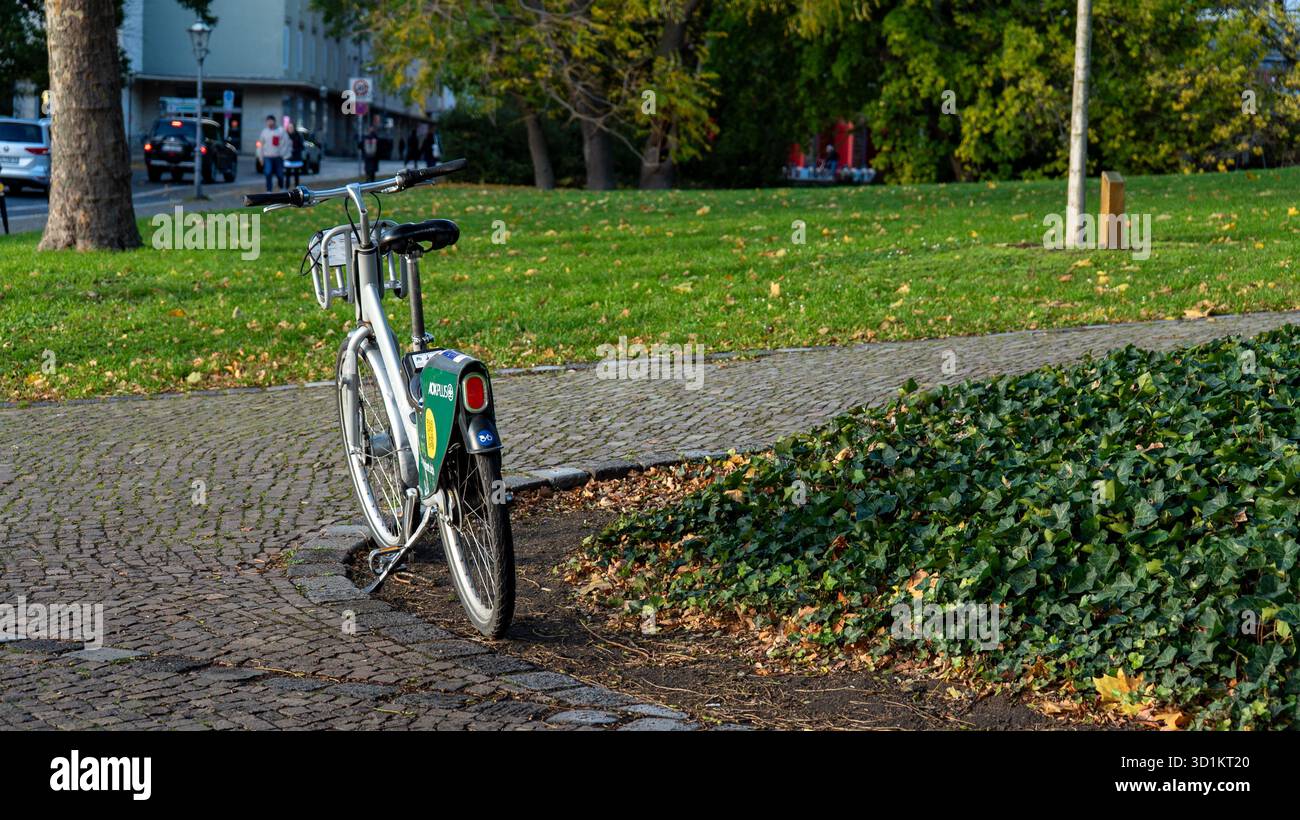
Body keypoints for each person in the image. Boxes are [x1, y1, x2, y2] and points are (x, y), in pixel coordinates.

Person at [259, 115, 286, 191]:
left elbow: (285, 143)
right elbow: (260, 146)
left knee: (280, 174)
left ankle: (281, 187)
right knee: (268, 173)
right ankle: (269, 190)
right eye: (268, 121)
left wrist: (283, 154)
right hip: (267, 157)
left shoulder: (280, 131)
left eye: (271, 121)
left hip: (278, 157)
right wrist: (260, 157)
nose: (269, 123)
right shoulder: (264, 132)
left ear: (274, 121)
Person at [284, 119, 305, 188]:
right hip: (288, 158)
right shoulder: (285, 136)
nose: (290, 129)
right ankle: (286, 188)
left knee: (296, 175)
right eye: (289, 127)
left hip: (296, 158)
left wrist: (294, 150)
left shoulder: (298, 136)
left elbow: (302, 147)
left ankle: (297, 189)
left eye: (291, 127)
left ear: (294, 128)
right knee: (287, 174)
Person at [360, 118, 381, 182]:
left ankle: (367, 180)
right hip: (374, 157)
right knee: (373, 170)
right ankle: (372, 181)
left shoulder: (366, 137)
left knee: (367, 169)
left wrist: (363, 152)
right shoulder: (376, 137)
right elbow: (380, 147)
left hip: (367, 157)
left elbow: (360, 145)